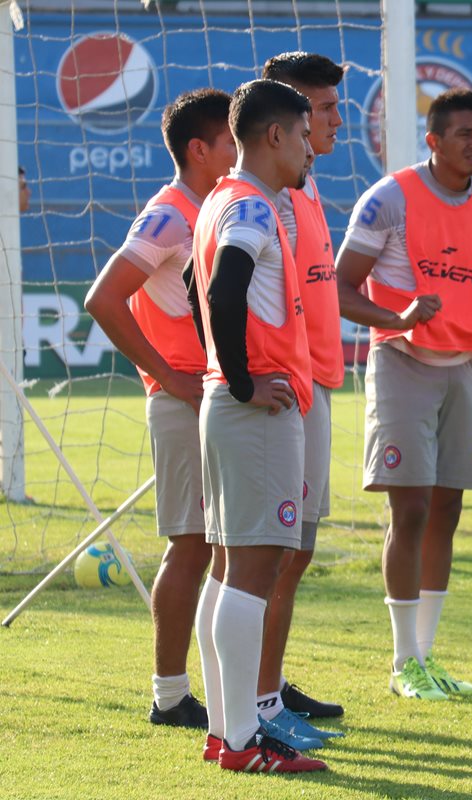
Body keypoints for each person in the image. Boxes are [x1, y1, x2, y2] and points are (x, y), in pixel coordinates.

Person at [336, 88, 472, 701]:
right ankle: (402, 662)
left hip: (463, 368)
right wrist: (398, 317)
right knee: (410, 507)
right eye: (464, 134)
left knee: (449, 507)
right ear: (434, 141)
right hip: (402, 363)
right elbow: (338, 288)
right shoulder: (389, 200)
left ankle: (428, 656)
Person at [84, 89, 237, 730]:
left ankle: (246, 686)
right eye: (231, 140)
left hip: (218, 395)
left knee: (230, 546)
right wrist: (168, 375)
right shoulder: (169, 215)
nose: (241, 149)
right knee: (192, 545)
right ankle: (170, 695)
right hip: (184, 402)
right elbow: (102, 298)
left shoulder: (214, 209)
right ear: (200, 150)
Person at [190, 78, 325, 773]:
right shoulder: (250, 208)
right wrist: (243, 377)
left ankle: (227, 731)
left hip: (232, 408)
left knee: (228, 569)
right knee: (252, 570)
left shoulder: (221, 200)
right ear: (275, 136)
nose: (310, 149)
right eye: (304, 135)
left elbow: (196, 288)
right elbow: (221, 288)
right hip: (255, 412)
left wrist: (222, 372)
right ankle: (242, 741)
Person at [247, 50, 348, 736]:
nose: (337, 120)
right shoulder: (264, 195)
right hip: (279, 392)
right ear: (286, 119)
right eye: (325, 107)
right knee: (269, 550)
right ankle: (256, 704)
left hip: (315, 385)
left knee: (297, 547)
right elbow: (221, 291)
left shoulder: (304, 183)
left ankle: (269, 683)